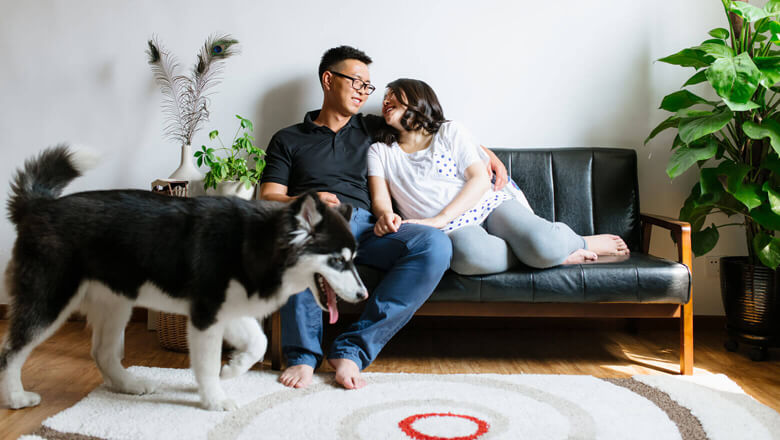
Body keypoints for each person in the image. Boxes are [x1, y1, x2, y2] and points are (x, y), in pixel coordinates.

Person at [259, 47, 508, 389]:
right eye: (356, 82)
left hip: (366, 226)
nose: (364, 91)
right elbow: (268, 195)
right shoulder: (288, 138)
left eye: (368, 86)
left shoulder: (373, 128)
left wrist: (487, 156)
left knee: (433, 244)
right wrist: (306, 199)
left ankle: (352, 350)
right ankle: (302, 357)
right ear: (328, 79)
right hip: (316, 222)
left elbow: (433, 127)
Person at [368, 78, 630, 276]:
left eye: (394, 95)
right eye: (385, 98)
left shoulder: (449, 132)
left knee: (544, 244)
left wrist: (440, 218)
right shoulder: (380, 151)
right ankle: (545, 256)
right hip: (453, 230)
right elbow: (381, 200)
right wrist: (386, 216)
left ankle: (579, 242)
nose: (385, 100)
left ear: (417, 99)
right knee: (468, 257)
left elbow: (480, 180)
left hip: (486, 206)